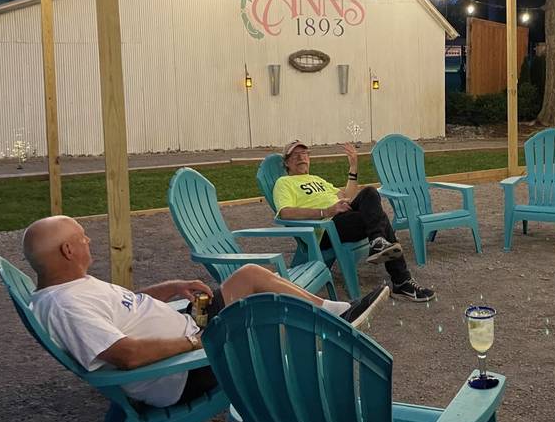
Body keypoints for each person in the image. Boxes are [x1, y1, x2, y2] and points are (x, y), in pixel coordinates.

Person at [23, 216, 389, 408]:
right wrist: (192, 342)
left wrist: (171, 289)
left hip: (189, 328)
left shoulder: (72, 287)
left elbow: (123, 305)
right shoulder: (67, 304)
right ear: (68, 251)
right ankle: (317, 384)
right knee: (263, 320)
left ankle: (335, 312)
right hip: (182, 370)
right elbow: (127, 354)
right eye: (83, 237)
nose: (89, 242)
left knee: (248, 276)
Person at [274, 140, 435, 302]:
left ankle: (378, 242)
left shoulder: (317, 180)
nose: (301, 158)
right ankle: (400, 279)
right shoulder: (283, 183)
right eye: (296, 155)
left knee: (370, 192)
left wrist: (353, 167)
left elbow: (347, 197)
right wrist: (326, 211)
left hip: (342, 219)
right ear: (286, 162)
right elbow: (285, 213)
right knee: (381, 219)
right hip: (325, 229)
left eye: (305, 154)